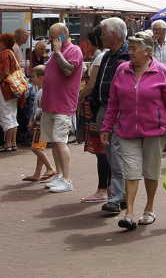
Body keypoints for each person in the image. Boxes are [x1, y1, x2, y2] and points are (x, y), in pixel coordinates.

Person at [100, 32, 166, 229]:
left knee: (150, 171)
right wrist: (106, 126)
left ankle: (149, 208)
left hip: (155, 130)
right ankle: (129, 213)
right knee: (131, 171)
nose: (130, 52)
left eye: (134, 49)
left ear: (147, 52)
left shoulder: (161, 71)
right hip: (127, 130)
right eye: (130, 48)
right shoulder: (121, 70)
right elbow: (113, 102)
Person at [89, 17, 130, 213]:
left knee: (116, 154)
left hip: (120, 112)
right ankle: (120, 195)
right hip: (105, 110)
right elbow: (99, 84)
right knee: (111, 154)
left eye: (103, 33)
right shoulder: (107, 55)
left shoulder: (129, 55)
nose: (101, 37)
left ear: (113, 35)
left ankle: (116, 197)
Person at [41, 23, 83, 193]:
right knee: (54, 142)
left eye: (54, 36)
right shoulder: (54, 53)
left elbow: (68, 71)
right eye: (50, 36)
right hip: (50, 103)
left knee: (60, 140)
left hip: (63, 104)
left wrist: (58, 53)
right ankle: (59, 174)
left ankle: (66, 178)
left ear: (63, 36)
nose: (51, 40)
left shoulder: (74, 50)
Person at [80, 26, 110, 203]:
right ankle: (107, 188)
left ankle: (103, 189)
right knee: (103, 150)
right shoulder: (102, 56)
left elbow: (91, 85)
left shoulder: (100, 57)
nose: (86, 47)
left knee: (102, 150)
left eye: (88, 43)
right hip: (96, 107)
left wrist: (78, 98)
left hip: (96, 108)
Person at [22, 65, 56, 182]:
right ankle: (37, 173)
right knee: (39, 148)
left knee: (36, 148)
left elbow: (40, 109)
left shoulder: (44, 91)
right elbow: (36, 108)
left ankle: (50, 168)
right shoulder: (41, 91)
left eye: (33, 77)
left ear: (41, 77)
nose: (32, 80)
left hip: (41, 123)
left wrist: (33, 121)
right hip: (40, 122)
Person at [0, 33, 23, 152]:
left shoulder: (4, 54)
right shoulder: (11, 53)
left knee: (6, 117)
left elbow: (3, 72)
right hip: (13, 89)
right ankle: (13, 143)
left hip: (4, 88)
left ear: (4, 43)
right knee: (12, 116)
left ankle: (8, 144)